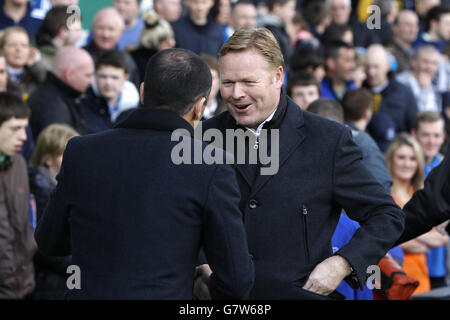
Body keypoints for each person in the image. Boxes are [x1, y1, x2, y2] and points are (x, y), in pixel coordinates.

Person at [201, 27, 405, 299]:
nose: (236, 93)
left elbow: (387, 215)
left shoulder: (328, 140)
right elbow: (180, 214)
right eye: (228, 82)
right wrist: (200, 265)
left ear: (278, 77)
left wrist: (341, 263)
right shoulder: (201, 139)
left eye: (248, 82)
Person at [35, 48, 254, 299]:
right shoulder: (211, 164)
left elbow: (50, 240)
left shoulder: (81, 150)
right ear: (200, 107)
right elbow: (237, 281)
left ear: (141, 92)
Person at [385, 133, 448, 294]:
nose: (407, 164)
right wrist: (425, 232)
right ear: (391, 159)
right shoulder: (384, 196)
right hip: (392, 282)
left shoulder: (422, 194)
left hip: (422, 280)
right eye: (401, 157)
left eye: (412, 159)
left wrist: (410, 235)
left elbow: (441, 238)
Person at [28, 123, 78, 299]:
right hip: (48, 285)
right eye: (65, 154)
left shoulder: (67, 188)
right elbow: (42, 244)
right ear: (48, 158)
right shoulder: (36, 190)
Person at [0, 91, 36, 299]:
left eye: (24, 128)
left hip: (23, 287)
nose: (23, 136)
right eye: (15, 129)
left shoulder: (19, 164)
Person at [411, 111, 449, 289]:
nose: (431, 141)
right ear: (414, 134)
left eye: (436, 135)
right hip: (412, 267)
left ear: (444, 137)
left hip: (442, 266)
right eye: (425, 135)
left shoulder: (445, 169)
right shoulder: (404, 166)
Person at [27, 47, 94, 139]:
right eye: (87, 75)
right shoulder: (53, 107)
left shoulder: (60, 96)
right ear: (69, 74)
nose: (91, 81)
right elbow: (59, 148)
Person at [364, 44, 418, 135]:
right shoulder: (357, 89)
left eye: (376, 67)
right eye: (367, 66)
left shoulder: (403, 93)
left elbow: (413, 125)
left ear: (387, 67)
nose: (371, 72)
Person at [81, 50, 139, 134]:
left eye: (114, 77)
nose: (108, 82)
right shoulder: (83, 101)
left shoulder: (135, 108)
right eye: (103, 76)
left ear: (125, 78)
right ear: (95, 76)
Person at [83, 7, 140, 88]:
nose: (106, 34)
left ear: (121, 32)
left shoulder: (127, 61)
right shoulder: (81, 57)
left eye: (111, 29)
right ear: (93, 28)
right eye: (101, 28)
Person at [128, 9, 175, 84]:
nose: (173, 43)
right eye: (170, 39)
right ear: (161, 43)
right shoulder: (161, 64)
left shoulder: (130, 56)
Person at [0, 26, 47, 99]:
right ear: (1, 49)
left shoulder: (35, 74)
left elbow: (49, 82)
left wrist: (36, 65)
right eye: (12, 45)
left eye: (24, 45)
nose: (19, 49)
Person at [396, 45, 443, 113]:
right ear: (414, 62)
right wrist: (425, 90)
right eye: (425, 62)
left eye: (434, 63)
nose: (430, 67)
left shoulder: (435, 85)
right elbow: (417, 115)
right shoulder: (401, 82)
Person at [34, 5, 82, 69]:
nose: (80, 34)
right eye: (77, 30)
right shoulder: (36, 58)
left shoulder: (76, 57)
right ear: (63, 32)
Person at [387, 10, 420, 74]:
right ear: (395, 28)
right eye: (408, 25)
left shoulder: (417, 52)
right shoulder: (389, 53)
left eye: (415, 25)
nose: (413, 29)